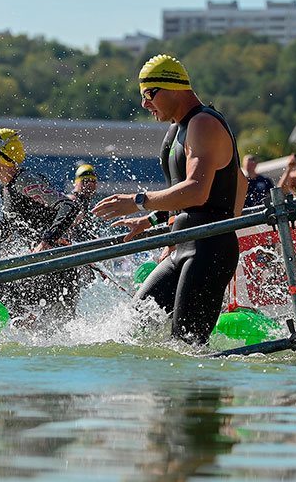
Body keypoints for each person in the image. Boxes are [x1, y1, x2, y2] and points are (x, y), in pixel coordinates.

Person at [92, 54, 247, 344]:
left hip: (208, 248)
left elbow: (197, 191)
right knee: (132, 329)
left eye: (150, 94)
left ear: (174, 87)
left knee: (186, 345)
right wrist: (153, 219)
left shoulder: (203, 123)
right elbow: (236, 181)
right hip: (184, 245)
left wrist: (139, 200)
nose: (144, 104)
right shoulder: (178, 128)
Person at [0, 128, 82, 321]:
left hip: (58, 270)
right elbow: (9, 222)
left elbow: (68, 206)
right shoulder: (7, 187)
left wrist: (47, 240)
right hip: (46, 268)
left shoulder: (24, 181)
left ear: (0, 156)